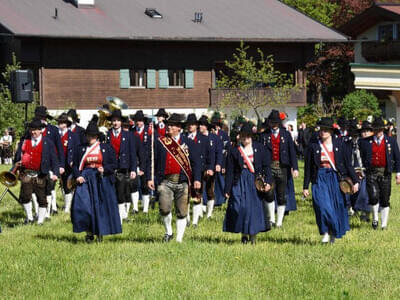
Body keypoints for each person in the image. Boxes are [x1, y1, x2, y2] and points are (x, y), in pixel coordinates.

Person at [303, 117, 359, 243]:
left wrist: (355, 181)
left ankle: (333, 232)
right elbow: (308, 167)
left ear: (331, 131)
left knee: (336, 206)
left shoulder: (340, 144)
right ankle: (326, 232)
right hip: (319, 178)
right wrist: (305, 186)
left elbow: (348, 164)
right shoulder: (313, 146)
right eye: (321, 129)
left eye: (326, 130)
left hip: (335, 178)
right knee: (322, 206)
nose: (323, 132)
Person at [147, 113, 201, 243]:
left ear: (179, 128)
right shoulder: (160, 142)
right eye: (168, 125)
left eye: (172, 125)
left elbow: (196, 162)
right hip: (165, 181)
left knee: (182, 211)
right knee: (164, 208)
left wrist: (197, 179)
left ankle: (179, 239)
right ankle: (169, 232)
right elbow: (152, 160)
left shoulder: (188, 143)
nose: (169, 127)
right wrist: (150, 178)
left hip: (182, 182)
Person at [71, 121, 121, 242]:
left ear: (97, 136)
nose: (90, 138)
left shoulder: (106, 148)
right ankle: (88, 232)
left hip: (101, 179)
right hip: (85, 179)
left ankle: (100, 232)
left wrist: (105, 169)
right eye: (88, 135)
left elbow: (114, 164)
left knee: (100, 207)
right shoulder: (80, 149)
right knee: (84, 206)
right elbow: (74, 165)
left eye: (93, 135)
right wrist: (78, 176)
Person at [223, 122, 272, 244]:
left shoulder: (260, 148)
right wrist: (227, 190)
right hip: (239, 181)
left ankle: (253, 237)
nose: (246, 138)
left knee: (253, 210)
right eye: (243, 135)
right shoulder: (234, 150)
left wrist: (268, 182)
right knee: (241, 208)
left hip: (254, 181)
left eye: (248, 135)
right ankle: (244, 234)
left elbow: (266, 167)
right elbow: (230, 171)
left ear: (252, 136)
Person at [14, 119, 59, 224]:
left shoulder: (48, 142)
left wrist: (56, 173)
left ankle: (40, 221)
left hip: (41, 174)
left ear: (40, 130)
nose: (33, 132)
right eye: (31, 130)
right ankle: (29, 218)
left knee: (42, 198)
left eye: (35, 130)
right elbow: (18, 155)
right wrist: (18, 162)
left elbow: (54, 159)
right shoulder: (25, 141)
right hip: (26, 173)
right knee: (25, 196)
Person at [358, 117, 400, 230]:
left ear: (383, 129)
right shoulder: (366, 142)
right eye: (376, 129)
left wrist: (398, 173)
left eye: (380, 129)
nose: (378, 132)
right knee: (373, 196)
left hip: (385, 172)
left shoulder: (390, 141)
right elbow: (361, 157)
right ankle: (375, 219)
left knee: (385, 198)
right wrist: (362, 169)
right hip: (371, 172)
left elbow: (397, 157)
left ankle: (384, 224)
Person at [260, 110, 299, 228]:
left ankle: (279, 222)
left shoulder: (286, 134)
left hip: (283, 167)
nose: (274, 124)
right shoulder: (264, 135)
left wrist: (295, 167)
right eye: (272, 122)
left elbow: (292, 152)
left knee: (282, 194)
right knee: (269, 193)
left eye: (276, 122)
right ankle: (271, 218)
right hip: (268, 167)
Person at [106, 109, 137, 223]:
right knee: (113, 191)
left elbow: (132, 153)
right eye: (114, 121)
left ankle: (122, 215)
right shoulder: (107, 134)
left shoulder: (128, 135)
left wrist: (133, 169)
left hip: (123, 167)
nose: (115, 123)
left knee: (122, 191)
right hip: (111, 167)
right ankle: (120, 214)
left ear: (121, 122)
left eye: (118, 121)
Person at [185, 114, 214, 227]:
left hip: (200, 170)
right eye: (188, 124)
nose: (190, 126)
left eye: (192, 124)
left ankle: (195, 221)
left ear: (196, 125)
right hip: (186, 171)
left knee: (197, 195)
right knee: (185, 195)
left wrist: (209, 168)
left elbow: (210, 155)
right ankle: (186, 218)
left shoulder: (204, 139)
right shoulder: (184, 138)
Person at [198, 115, 223, 218]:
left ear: (206, 126)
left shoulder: (215, 138)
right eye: (199, 125)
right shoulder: (196, 138)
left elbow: (219, 152)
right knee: (198, 190)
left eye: (202, 125)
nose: (200, 127)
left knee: (210, 190)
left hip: (211, 168)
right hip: (199, 168)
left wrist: (218, 164)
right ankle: (199, 212)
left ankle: (209, 214)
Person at [56, 113, 79, 213]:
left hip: (69, 164)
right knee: (62, 185)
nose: (60, 124)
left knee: (70, 185)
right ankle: (66, 206)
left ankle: (69, 207)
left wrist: (74, 161)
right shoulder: (56, 135)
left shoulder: (73, 136)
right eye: (59, 123)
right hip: (58, 163)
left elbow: (77, 149)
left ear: (66, 124)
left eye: (62, 123)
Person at [132, 110, 151, 213]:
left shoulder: (149, 131)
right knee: (134, 184)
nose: (138, 123)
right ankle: (135, 207)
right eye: (137, 121)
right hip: (135, 161)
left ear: (143, 121)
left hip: (147, 161)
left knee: (145, 185)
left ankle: (145, 209)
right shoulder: (132, 131)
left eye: (140, 120)